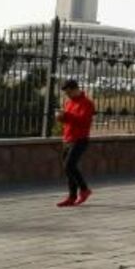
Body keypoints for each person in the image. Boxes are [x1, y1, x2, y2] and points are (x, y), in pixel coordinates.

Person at [54, 79, 95, 207]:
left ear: (76, 89)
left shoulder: (87, 103)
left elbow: (84, 121)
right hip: (68, 138)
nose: (68, 95)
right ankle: (72, 197)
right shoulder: (68, 103)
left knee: (69, 166)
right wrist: (61, 117)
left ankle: (84, 190)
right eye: (66, 93)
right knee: (68, 169)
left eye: (69, 92)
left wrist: (67, 115)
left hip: (80, 139)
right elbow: (68, 120)